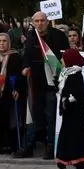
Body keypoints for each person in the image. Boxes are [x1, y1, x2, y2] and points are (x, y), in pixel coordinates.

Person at [20, 11, 68, 159]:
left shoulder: (58, 36)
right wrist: (25, 67)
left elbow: (64, 56)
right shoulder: (31, 37)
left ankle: (51, 145)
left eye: (42, 20)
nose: (40, 24)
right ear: (33, 23)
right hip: (36, 83)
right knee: (36, 114)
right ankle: (31, 144)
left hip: (53, 83)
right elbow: (26, 56)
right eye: (37, 21)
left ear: (47, 22)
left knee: (52, 114)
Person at [50, 48, 84, 169]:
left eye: (64, 58)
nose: (61, 60)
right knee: (64, 138)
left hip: (76, 115)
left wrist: (68, 100)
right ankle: (61, 166)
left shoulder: (76, 75)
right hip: (68, 114)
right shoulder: (67, 74)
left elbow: (79, 95)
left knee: (76, 139)